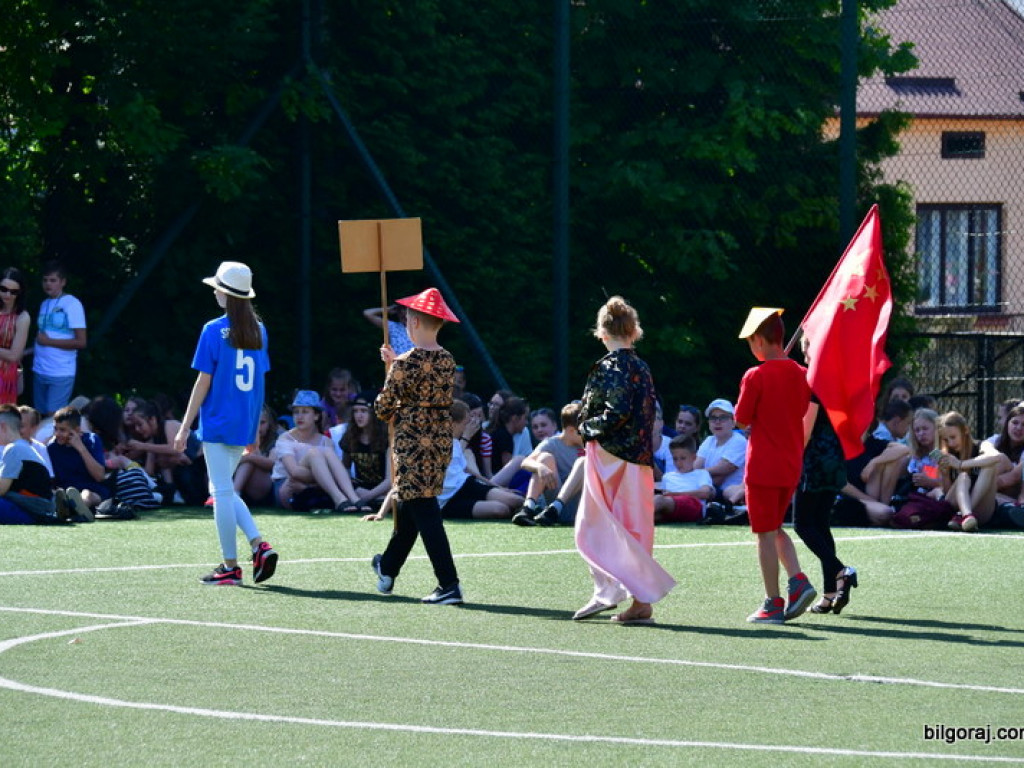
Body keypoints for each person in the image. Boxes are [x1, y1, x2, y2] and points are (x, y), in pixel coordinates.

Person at [173, 261, 277, 587]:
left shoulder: (212, 329)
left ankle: (231, 566)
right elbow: (259, 384)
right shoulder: (259, 330)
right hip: (242, 422)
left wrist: (184, 426)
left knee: (220, 492)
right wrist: (254, 431)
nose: (215, 291)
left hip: (218, 422)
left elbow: (203, 382)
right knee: (224, 490)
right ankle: (258, 544)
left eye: (217, 287)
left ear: (226, 293)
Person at [572, 296, 676, 625]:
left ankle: (609, 590)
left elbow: (614, 412)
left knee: (593, 524)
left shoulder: (611, 365)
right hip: (639, 457)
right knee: (634, 526)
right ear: (634, 331)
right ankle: (639, 600)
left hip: (609, 455)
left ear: (602, 332)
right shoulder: (641, 366)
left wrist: (585, 428)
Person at [371, 287, 464, 605]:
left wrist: (392, 373)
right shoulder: (448, 361)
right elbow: (422, 383)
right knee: (413, 506)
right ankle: (387, 567)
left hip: (412, 445)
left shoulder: (405, 364)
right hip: (439, 442)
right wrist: (396, 365)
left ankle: (449, 583)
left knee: (423, 509)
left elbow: (383, 408)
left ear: (414, 323)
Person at [734, 307, 816, 624]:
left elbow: (741, 419)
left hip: (763, 467)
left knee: (764, 535)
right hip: (789, 465)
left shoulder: (754, 376)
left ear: (758, 339)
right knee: (775, 529)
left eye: (750, 340)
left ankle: (773, 602)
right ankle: (798, 582)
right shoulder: (801, 374)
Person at [794, 337, 857, 616]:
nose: (804, 350)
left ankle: (842, 571)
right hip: (834, 459)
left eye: (808, 345)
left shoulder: (813, 381)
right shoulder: (836, 380)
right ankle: (830, 593)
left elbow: (805, 429)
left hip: (815, 461)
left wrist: (791, 455)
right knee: (820, 525)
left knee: (802, 524)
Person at [271, 390, 364, 512]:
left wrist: (316, 481)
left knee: (326, 451)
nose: (299, 416)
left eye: (305, 412)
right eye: (296, 412)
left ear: (316, 415)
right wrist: (323, 477)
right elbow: (294, 472)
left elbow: (334, 470)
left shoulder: (326, 441)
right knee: (314, 453)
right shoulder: (285, 438)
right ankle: (339, 499)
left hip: (314, 486)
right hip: (288, 486)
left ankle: (353, 499)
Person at [512, 401, 585, 526]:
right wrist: (540, 467)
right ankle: (528, 508)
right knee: (544, 458)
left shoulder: (591, 444)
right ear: (572, 431)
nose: (587, 433)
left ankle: (556, 507)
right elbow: (526, 462)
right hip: (558, 507)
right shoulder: (552, 443)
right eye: (584, 430)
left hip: (581, 506)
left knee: (583, 461)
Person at [32, 261, 87, 416]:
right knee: (38, 415)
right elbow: (42, 337)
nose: (48, 284)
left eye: (53, 280)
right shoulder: (44, 303)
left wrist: (48, 342)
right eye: (45, 280)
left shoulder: (72, 303)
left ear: (63, 282)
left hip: (60, 371)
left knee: (53, 416)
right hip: (39, 369)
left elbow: (81, 342)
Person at [938, 411, 1001, 532]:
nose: (950, 443)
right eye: (946, 439)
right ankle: (966, 514)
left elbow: (996, 457)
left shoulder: (982, 445)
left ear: (965, 430)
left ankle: (965, 515)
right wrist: (945, 475)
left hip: (981, 510)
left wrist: (961, 464)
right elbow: (947, 498)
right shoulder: (946, 455)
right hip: (954, 510)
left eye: (953, 437)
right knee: (963, 477)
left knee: (990, 465)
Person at [0, 405, 59, 524]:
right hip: (38, 508)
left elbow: (1, 489)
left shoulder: (14, 449)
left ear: (3, 427)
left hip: (31, 511)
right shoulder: (23, 446)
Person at [47, 405, 107, 521]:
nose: (57, 434)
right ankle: (68, 507)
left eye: (62, 430)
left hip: (92, 489)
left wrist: (81, 448)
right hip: (64, 492)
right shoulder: (52, 448)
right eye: (56, 429)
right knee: (58, 494)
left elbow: (100, 476)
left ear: (77, 430)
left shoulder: (91, 440)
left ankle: (77, 508)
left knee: (86, 494)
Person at [339, 392, 391, 508]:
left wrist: (367, 497)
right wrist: (354, 491)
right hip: (360, 488)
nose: (359, 415)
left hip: (383, 489)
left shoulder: (387, 439)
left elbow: (390, 479)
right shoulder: (349, 437)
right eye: (355, 411)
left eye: (363, 411)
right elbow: (344, 470)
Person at [695, 398, 747, 507]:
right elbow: (695, 466)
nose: (717, 422)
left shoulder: (739, 441)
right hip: (711, 489)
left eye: (723, 417)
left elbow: (723, 470)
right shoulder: (709, 440)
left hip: (728, 493)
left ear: (733, 422)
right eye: (713, 418)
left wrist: (699, 474)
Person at [653, 435, 713, 524]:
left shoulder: (702, 473)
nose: (678, 463)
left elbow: (705, 493)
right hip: (671, 506)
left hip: (694, 505)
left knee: (659, 500)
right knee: (655, 515)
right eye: (675, 459)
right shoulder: (667, 476)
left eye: (683, 458)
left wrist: (673, 494)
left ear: (694, 458)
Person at [232, 403, 278, 507]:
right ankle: (222, 495)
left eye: (262, 423)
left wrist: (250, 457)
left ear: (269, 424)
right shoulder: (238, 438)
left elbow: (273, 464)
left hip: (263, 488)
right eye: (253, 423)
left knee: (251, 456)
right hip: (237, 481)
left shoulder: (274, 441)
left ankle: (234, 493)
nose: (257, 428)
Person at [0, 268, 30, 404]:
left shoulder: (22, 317)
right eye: (3, 289)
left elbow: (14, 355)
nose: (7, 294)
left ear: (20, 293)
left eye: (13, 292)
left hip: (4, 376)